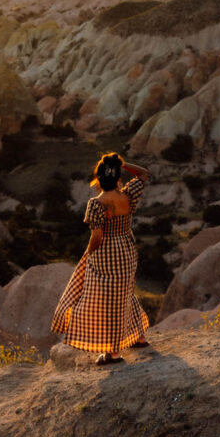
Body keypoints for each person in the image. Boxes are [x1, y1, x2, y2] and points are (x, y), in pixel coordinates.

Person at [51, 152, 150, 365]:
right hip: (127, 248)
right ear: (116, 177)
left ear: (98, 178)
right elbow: (143, 173)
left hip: (106, 253)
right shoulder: (128, 195)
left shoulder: (96, 203)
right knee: (125, 291)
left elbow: (96, 236)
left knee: (107, 300)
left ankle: (113, 352)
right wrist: (121, 164)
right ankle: (139, 337)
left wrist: (88, 252)